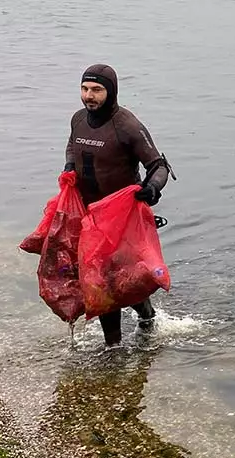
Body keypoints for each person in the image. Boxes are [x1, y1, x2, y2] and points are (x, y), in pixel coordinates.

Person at [64, 63, 174, 347]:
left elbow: (158, 165)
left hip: (122, 218)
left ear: (111, 91)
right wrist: (68, 167)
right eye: (85, 89)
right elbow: (72, 146)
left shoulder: (127, 125)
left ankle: (145, 319)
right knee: (101, 279)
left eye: (97, 90)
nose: (89, 96)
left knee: (123, 277)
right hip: (91, 215)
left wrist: (152, 189)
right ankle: (114, 345)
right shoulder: (78, 120)